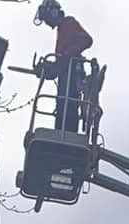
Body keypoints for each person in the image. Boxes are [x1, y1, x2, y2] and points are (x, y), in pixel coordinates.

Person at [36, 1, 95, 134]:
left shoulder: (69, 23)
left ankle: (67, 132)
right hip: (65, 78)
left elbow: (87, 40)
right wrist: (47, 69)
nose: (47, 23)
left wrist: (67, 55)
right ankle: (61, 131)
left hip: (73, 74)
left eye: (47, 19)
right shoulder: (61, 30)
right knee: (62, 108)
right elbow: (60, 65)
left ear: (54, 12)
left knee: (69, 108)